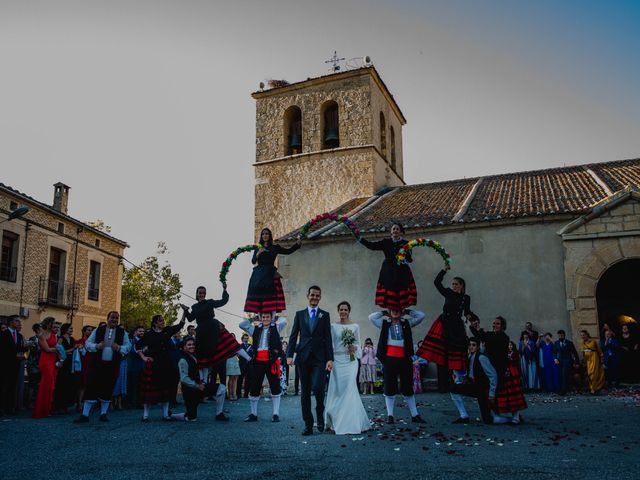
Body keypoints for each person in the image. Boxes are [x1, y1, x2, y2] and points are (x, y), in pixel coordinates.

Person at [287, 286, 334, 435]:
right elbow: (293, 336)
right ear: (308, 296)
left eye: (317, 295)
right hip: (303, 357)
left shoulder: (324, 315)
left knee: (318, 388)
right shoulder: (299, 315)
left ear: (320, 297)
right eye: (312, 295)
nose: (314, 297)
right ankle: (308, 424)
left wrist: (330, 359)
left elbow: (328, 338)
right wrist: (289, 355)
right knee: (305, 392)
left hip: (319, 359)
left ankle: (320, 414)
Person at [369, 308, 426, 424]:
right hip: (389, 359)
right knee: (390, 386)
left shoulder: (407, 323)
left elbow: (421, 315)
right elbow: (371, 317)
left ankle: (415, 415)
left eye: (398, 309)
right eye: (393, 309)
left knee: (407, 387)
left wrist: (408, 311)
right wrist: (384, 312)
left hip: (404, 359)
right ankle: (390, 415)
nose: (395, 311)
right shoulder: (384, 324)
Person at [74, 311, 131, 423]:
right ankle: (85, 415)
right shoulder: (98, 330)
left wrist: (119, 348)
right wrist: (97, 346)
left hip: (112, 365)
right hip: (97, 365)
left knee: (108, 388)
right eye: (112, 317)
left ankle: (103, 414)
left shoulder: (122, 332)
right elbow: (88, 343)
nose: (114, 320)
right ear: (107, 318)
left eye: (116, 318)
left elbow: (128, 346)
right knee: (91, 387)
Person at [324, 301, 370, 434]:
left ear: (349, 311)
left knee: (350, 388)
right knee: (339, 390)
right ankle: (336, 418)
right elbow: (330, 344)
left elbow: (358, 344)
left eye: (345, 310)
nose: (343, 312)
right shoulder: (333, 326)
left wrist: (354, 348)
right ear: (338, 311)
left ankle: (351, 422)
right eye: (341, 309)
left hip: (351, 361)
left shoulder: (355, 326)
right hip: (337, 361)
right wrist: (330, 359)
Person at [417, 267, 470, 377]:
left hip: (456, 326)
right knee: (441, 354)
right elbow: (437, 282)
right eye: (453, 284)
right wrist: (444, 271)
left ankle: (456, 379)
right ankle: (443, 384)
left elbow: (467, 312)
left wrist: (474, 319)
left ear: (461, 285)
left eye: (456, 284)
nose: (454, 286)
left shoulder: (466, 298)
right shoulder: (448, 293)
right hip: (444, 323)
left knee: (455, 352)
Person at [181, 286, 239, 382]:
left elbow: (223, 301)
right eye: (200, 293)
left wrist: (224, 290)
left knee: (221, 344)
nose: (202, 294)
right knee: (201, 358)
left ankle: (247, 357)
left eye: (204, 293)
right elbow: (190, 318)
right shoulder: (195, 306)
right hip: (201, 332)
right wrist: (185, 310)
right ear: (197, 294)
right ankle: (203, 384)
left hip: (212, 329)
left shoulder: (210, 302)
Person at [137, 313, 186, 421]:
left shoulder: (167, 331)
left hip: (166, 364)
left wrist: (184, 312)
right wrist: (144, 357)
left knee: (166, 390)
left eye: (163, 320)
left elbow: (180, 325)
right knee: (149, 391)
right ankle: (145, 415)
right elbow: (137, 346)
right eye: (160, 321)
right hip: (153, 364)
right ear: (155, 323)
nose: (163, 322)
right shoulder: (149, 334)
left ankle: (165, 415)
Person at [359, 223, 417, 310]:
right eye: (393, 229)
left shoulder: (407, 244)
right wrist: (360, 239)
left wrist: (404, 260)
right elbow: (372, 246)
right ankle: (390, 312)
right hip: (388, 270)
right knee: (389, 288)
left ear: (400, 231)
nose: (395, 231)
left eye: (397, 229)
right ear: (391, 232)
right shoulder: (386, 242)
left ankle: (401, 312)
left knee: (401, 288)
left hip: (402, 270)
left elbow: (409, 258)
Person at [241, 312, 286, 422]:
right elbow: (242, 325)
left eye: (267, 317)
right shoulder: (255, 329)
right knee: (255, 386)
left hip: (271, 361)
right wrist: (253, 319)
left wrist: (274, 317)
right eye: (263, 317)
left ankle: (276, 414)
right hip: (258, 361)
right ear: (260, 318)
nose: (265, 319)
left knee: (275, 386)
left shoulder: (276, 327)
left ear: (271, 318)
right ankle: (253, 414)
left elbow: (284, 320)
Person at [244, 228, 301, 313]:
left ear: (269, 235)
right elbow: (253, 261)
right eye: (263, 234)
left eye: (266, 234)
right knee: (259, 298)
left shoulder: (275, 247)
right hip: (258, 275)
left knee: (271, 300)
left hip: (270, 273)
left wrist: (297, 244)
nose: (265, 235)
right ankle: (261, 318)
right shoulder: (258, 248)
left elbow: (288, 251)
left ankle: (272, 319)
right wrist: (258, 253)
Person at [170, 338, 227, 422]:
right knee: (191, 418)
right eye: (189, 345)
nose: (192, 346)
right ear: (184, 347)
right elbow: (183, 378)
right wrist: (197, 385)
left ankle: (219, 414)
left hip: (199, 387)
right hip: (189, 391)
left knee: (221, 388)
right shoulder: (183, 360)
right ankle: (172, 416)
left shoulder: (194, 356)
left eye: (193, 344)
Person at [449, 338, 498, 425]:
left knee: (487, 420)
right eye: (470, 345)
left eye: (474, 345)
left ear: (478, 347)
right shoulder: (469, 356)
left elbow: (493, 375)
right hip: (474, 386)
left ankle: (509, 419)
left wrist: (492, 393)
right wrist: (462, 380)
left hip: (482, 389)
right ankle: (464, 415)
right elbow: (470, 373)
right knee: (454, 388)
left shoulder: (481, 357)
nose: (471, 347)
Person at [493, 341, 527, 424]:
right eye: (508, 345)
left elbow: (516, 362)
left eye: (511, 345)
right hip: (505, 374)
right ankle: (514, 416)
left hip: (513, 373)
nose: (509, 346)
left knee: (514, 393)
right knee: (508, 394)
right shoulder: (504, 353)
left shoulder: (515, 353)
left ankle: (516, 416)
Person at [32, 318, 60, 418]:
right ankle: (41, 410)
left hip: (52, 360)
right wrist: (57, 349)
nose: (54, 325)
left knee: (51, 385)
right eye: (53, 323)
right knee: (45, 385)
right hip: (46, 361)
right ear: (48, 324)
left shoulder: (53, 335)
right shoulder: (41, 335)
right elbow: (47, 349)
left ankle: (48, 409)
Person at [0, 315, 25, 415]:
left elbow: (20, 348)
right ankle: (2, 407)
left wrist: (22, 353)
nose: (19, 323)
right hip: (5, 364)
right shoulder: (3, 334)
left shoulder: (19, 336)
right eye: (16, 321)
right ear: (10, 322)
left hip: (16, 364)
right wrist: (14, 354)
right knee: (3, 386)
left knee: (12, 386)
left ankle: (10, 407)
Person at [53, 323, 77, 413]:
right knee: (61, 383)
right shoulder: (60, 339)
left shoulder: (72, 339)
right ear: (66, 329)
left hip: (70, 362)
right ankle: (59, 405)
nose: (72, 330)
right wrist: (72, 349)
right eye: (70, 328)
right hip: (64, 363)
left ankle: (66, 405)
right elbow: (59, 350)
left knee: (69, 383)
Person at [554, 330, 579, 394]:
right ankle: (560, 389)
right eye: (559, 335)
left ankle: (564, 390)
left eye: (562, 335)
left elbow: (575, 353)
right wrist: (555, 359)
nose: (560, 336)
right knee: (560, 375)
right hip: (559, 361)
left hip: (568, 360)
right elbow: (554, 352)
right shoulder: (556, 343)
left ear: (564, 335)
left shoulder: (569, 343)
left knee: (565, 374)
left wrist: (577, 362)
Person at [580, 330, 605, 394]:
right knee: (589, 374)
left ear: (587, 335)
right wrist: (584, 360)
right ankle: (592, 387)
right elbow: (583, 352)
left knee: (593, 373)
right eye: (581, 335)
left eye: (583, 335)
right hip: (588, 360)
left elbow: (599, 351)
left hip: (594, 359)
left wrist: (601, 359)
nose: (582, 336)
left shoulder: (593, 341)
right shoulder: (583, 343)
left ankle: (593, 389)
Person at [76, 326, 94, 408]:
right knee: (81, 384)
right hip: (82, 364)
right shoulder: (79, 341)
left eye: (91, 330)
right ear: (84, 331)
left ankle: (86, 403)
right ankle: (79, 403)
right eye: (88, 330)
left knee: (88, 384)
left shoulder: (92, 342)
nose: (90, 332)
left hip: (91, 364)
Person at [127, 326, 145, 409]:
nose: (141, 333)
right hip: (134, 366)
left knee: (141, 385)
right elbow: (132, 352)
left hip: (142, 366)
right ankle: (131, 403)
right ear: (136, 332)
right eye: (140, 331)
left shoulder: (145, 341)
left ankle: (139, 402)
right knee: (133, 385)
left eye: (143, 331)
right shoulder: (132, 341)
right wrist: (144, 350)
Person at [26, 323, 42, 408]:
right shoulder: (33, 339)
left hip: (40, 364)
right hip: (33, 365)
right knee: (32, 384)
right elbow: (35, 351)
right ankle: (30, 403)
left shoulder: (42, 338)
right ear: (38, 330)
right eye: (41, 328)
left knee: (38, 384)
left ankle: (36, 402)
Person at [225, 333, 241, 401]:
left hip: (235, 360)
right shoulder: (226, 344)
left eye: (234, 337)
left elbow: (239, 353)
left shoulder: (236, 345)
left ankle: (234, 394)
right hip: (229, 360)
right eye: (231, 337)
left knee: (236, 377)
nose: (233, 338)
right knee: (231, 378)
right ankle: (230, 394)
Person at [237, 333, 252, 399]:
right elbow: (238, 355)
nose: (246, 340)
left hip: (249, 365)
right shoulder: (239, 346)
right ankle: (238, 393)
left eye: (247, 338)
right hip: (242, 364)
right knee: (240, 379)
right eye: (245, 338)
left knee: (248, 380)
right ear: (242, 339)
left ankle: (246, 394)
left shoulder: (250, 346)